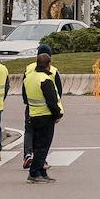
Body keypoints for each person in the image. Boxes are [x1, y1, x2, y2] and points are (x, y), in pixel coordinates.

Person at [23, 52, 63, 183]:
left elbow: (25, 96)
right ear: (48, 65)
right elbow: (52, 100)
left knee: (37, 145)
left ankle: (42, 172)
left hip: (33, 114)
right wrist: (57, 114)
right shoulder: (45, 79)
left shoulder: (29, 77)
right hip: (45, 116)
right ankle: (34, 173)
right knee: (42, 147)